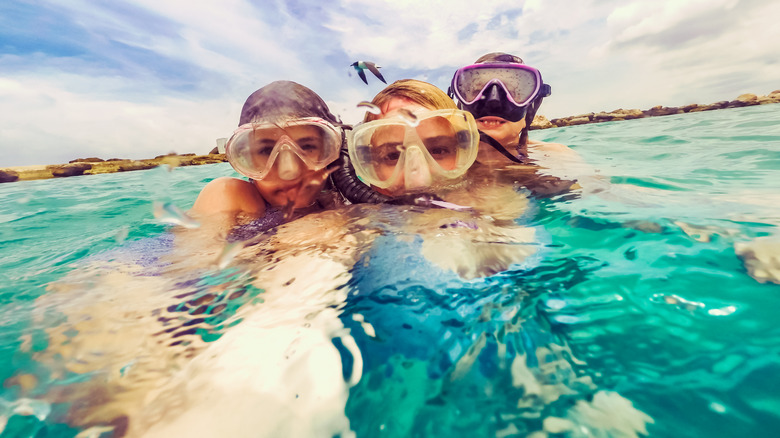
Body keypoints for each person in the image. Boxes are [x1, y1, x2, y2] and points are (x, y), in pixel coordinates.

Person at [190, 80, 345, 236]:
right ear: (247, 159)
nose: (290, 171)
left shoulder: (340, 200)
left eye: (307, 147)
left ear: (332, 150)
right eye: (266, 151)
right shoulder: (228, 197)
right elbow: (202, 256)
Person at [449, 52, 588, 195]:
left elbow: (596, 193)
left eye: (513, 93)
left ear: (527, 113)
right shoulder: (441, 157)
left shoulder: (556, 156)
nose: (493, 101)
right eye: (477, 91)